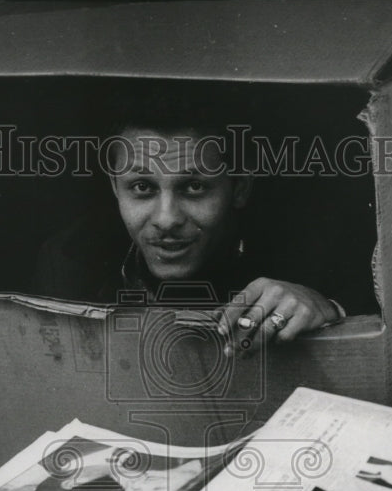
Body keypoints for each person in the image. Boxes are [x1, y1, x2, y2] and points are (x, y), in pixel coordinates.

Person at [32, 96, 349, 357]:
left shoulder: (300, 260)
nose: (167, 219)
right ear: (115, 187)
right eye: (142, 187)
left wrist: (328, 312)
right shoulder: (68, 261)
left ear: (238, 188)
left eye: (194, 187)